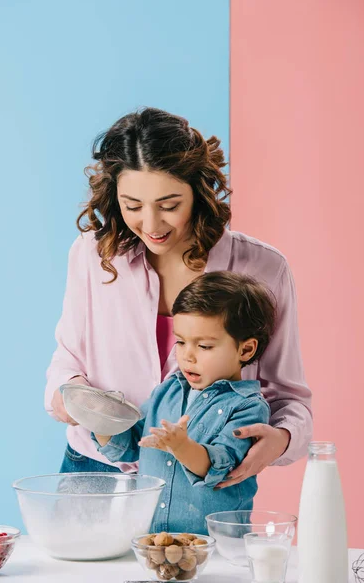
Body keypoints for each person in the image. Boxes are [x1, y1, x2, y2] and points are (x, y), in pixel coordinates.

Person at [45, 107, 312, 482]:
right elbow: (68, 360)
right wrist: (68, 393)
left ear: (198, 191)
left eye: (169, 205)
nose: (151, 225)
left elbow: (289, 397)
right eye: (132, 206)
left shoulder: (262, 268)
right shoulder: (92, 254)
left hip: (199, 481)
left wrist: (281, 439)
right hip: (94, 468)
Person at [91, 271, 274, 534]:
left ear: (245, 349)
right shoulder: (168, 390)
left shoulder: (247, 406)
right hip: (152, 539)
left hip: (215, 544)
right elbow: (131, 446)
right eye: (180, 341)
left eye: (205, 346)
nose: (187, 356)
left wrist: (182, 446)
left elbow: (221, 468)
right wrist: (102, 424)